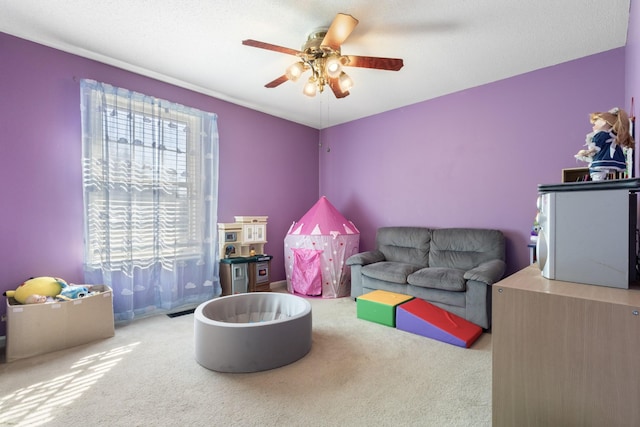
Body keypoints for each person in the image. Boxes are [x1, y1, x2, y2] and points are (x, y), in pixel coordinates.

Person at [575, 107, 634, 180]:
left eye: (595, 124)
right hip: (609, 157)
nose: (593, 127)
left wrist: (586, 152)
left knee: (596, 171)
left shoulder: (601, 134)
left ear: (604, 122)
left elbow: (595, 148)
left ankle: (597, 181)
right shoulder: (611, 135)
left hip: (602, 158)